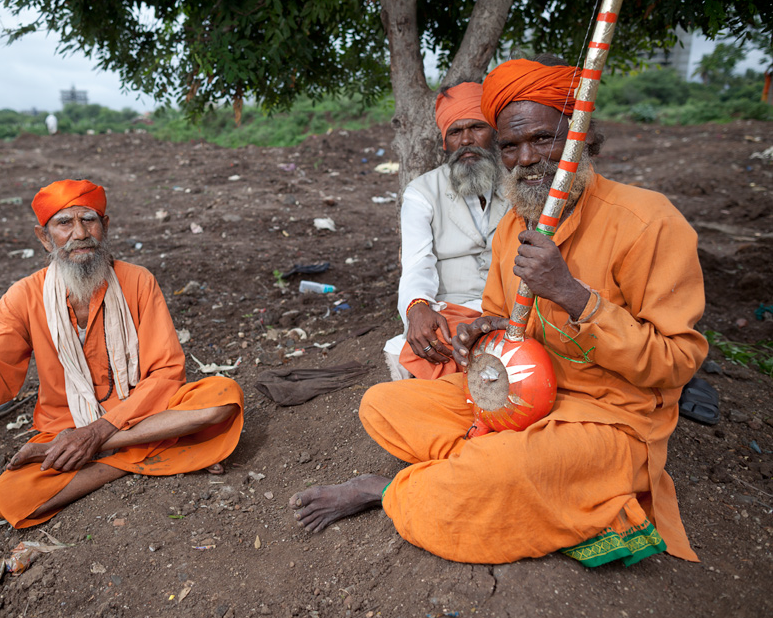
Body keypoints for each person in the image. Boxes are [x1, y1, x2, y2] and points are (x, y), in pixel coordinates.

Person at [290, 57, 708, 567]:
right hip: (520, 399)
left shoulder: (649, 221)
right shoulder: (516, 223)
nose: (526, 159)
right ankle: (493, 466)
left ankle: (391, 490)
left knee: (496, 473)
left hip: (608, 418)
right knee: (383, 404)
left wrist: (574, 295)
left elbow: (677, 361)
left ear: (582, 138)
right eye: (510, 146)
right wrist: (483, 337)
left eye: (543, 139)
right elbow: (501, 321)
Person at [0, 179, 244, 528]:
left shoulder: (138, 281)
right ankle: (148, 455)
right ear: (45, 237)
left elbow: (167, 373)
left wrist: (96, 435)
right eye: (64, 223)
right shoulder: (22, 298)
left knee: (223, 398)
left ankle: (110, 453)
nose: (79, 233)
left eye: (89, 220)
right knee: (5, 497)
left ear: (105, 227)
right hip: (65, 429)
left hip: (141, 416)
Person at [383, 82, 510, 381]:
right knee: (426, 347)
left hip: (512, 305)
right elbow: (417, 262)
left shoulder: (519, 182)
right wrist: (417, 308)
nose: (466, 139)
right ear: (445, 142)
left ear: (494, 133)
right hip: (455, 311)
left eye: (476, 127)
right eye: (455, 132)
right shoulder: (422, 192)